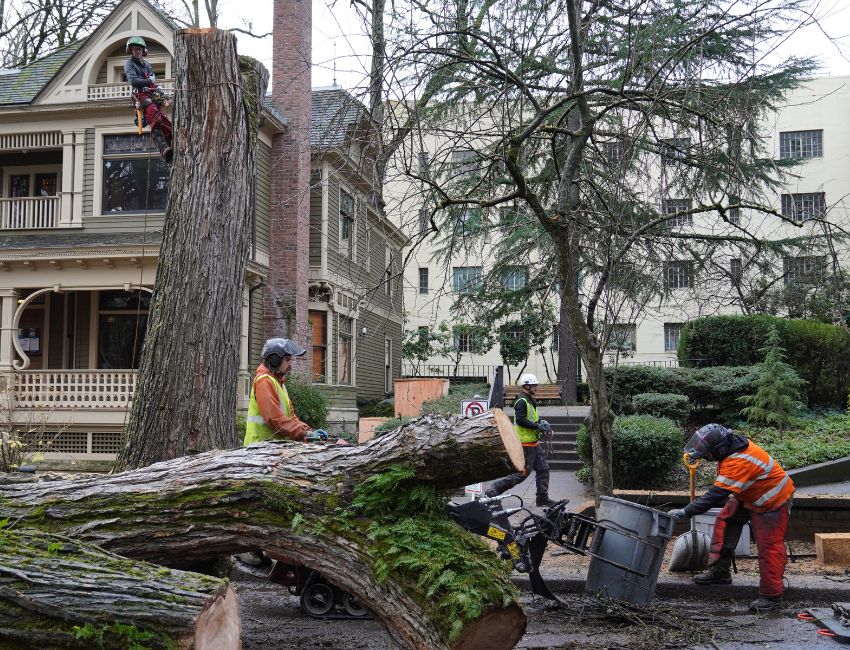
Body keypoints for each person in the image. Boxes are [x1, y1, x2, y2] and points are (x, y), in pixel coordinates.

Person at [669, 423, 794, 612]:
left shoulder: (739, 461)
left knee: (769, 547)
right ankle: (720, 572)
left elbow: (715, 495)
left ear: (719, 449)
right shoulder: (732, 447)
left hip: (773, 500)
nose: (707, 457)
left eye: (708, 454)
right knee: (726, 521)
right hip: (751, 494)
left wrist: (686, 511)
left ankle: (771, 596)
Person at [486, 373, 557, 508]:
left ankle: (542, 499)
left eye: (536, 385)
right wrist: (537, 426)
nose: (536, 388)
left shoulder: (530, 400)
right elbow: (520, 420)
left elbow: (530, 419)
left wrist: (540, 422)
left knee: (543, 469)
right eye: (534, 385)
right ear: (527, 386)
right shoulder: (522, 401)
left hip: (533, 443)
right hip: (525, 444)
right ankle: (493, 490)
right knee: (522, 474)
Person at [243, 337, 312, 445]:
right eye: (287, 360)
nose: (290, 365)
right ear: (275, 360)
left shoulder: (278, 383)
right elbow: (274, 418)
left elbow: (291, 417)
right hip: (259, 449)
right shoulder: (264, 382)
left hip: (271, 449)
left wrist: (308, 430)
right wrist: (303, 433)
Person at [124, 36, 173, 163]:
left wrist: (159, 89)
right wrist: (149, 81)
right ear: (131, 50)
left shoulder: (147, 65)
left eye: (139, 49)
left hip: (152, 94)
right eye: (135, 49)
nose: (138, 52)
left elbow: (152, 83)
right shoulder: (129, 64)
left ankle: (171, 145)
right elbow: (133, 81)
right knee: (154, 116)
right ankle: (163, 149)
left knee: (165, 121)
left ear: (143, 51)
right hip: (141, 95)